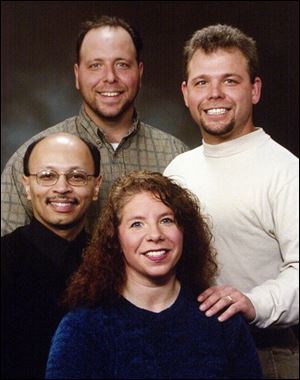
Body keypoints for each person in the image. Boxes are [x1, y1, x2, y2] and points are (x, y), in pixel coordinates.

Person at [164, 24, 299, 379]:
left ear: (254, 89)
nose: (214, 94)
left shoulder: (286, 172)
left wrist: (252, 302)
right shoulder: (178, 170)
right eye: (202, 82)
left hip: (264, 353)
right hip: (189, 349)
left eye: (230, 80)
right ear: (186, 93)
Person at [45, 171, 262, 379]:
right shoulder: (83, 327)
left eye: (166, 220)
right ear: (116, 239)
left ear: (184, 231)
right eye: (137, 224)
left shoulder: (221, 318)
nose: (155, 235)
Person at [1, 15, 188, 237]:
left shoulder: (176, 156)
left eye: (122, 65)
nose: (109, 77)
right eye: (95, 65)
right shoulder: (32, 158)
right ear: (77, 74)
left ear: (140, 73)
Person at [1, 133, 102, 379]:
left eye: (77, 176)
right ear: (27, 185)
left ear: (96, 186)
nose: (62, 188)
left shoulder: (115, 265)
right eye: (47, 176)